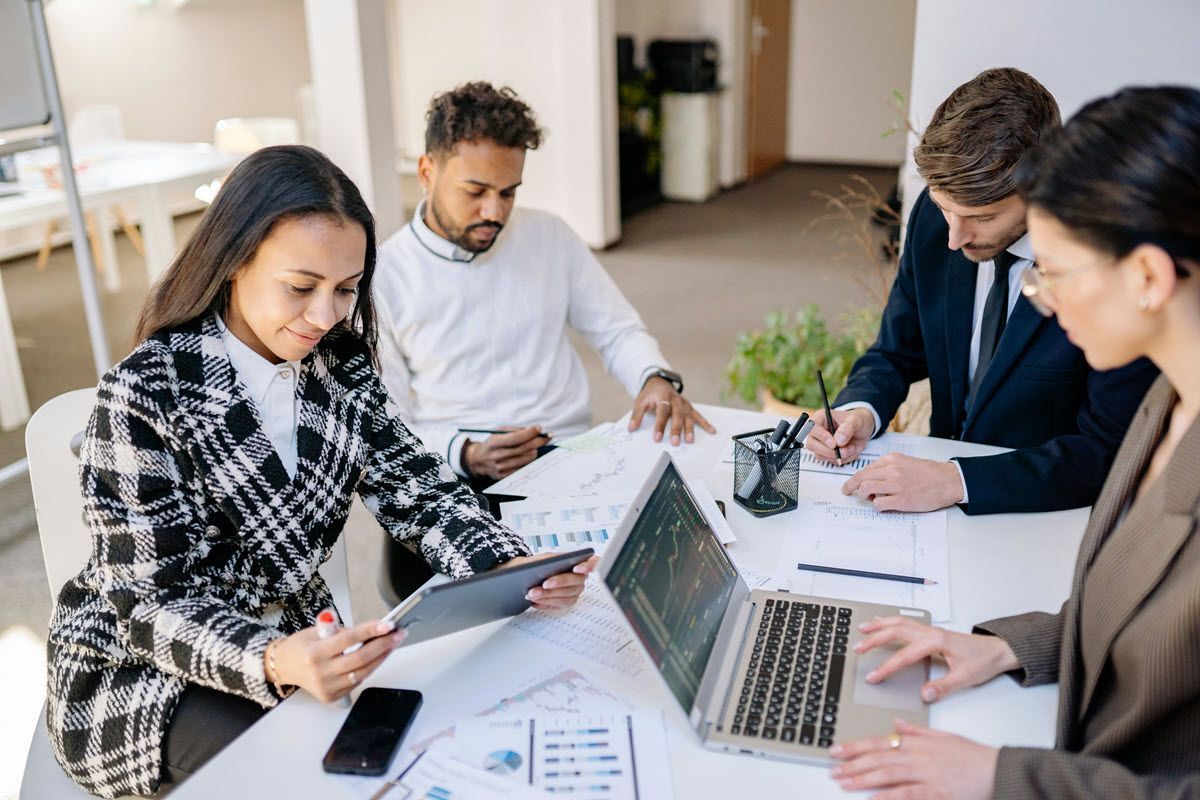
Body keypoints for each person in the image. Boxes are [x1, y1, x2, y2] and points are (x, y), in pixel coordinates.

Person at [44, 145, 595, 798]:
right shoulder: (142, 394)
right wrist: (273, 659)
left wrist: (503, 564)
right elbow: (147, 606)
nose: (326, 315)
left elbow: (418, 489)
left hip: (293, 637)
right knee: (316, 781)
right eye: (300, 287)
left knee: (415, 747)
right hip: (140, 669)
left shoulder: (342, 364)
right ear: (233, 261)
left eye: (346, 288)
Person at [830, 86, 1200, 798]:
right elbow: (1148, 615)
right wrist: (1011, 645)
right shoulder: (1165, 402)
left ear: (1149, 276)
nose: (1043, 297)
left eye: (1054, 274)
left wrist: (1002, 775)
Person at [806, 68, 1158, 515]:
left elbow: (1108, 450)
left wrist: (959, 481)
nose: (954, 238)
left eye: (984, 218)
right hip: (932, 502)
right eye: (943, 207)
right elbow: (896, 351)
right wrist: (861, 411)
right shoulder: (940, 220)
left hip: (1041, 515)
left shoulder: (1106, 269)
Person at [373, 82, 714, 488]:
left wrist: (652, 378)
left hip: (566, 450)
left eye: (508, 192)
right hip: (452, 464)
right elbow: (385, 421)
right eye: (475, 191)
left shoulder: (550, 236)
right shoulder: (384, 276)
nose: (494, 212)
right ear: (427, 173)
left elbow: (616, 329)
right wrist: (466, 454)